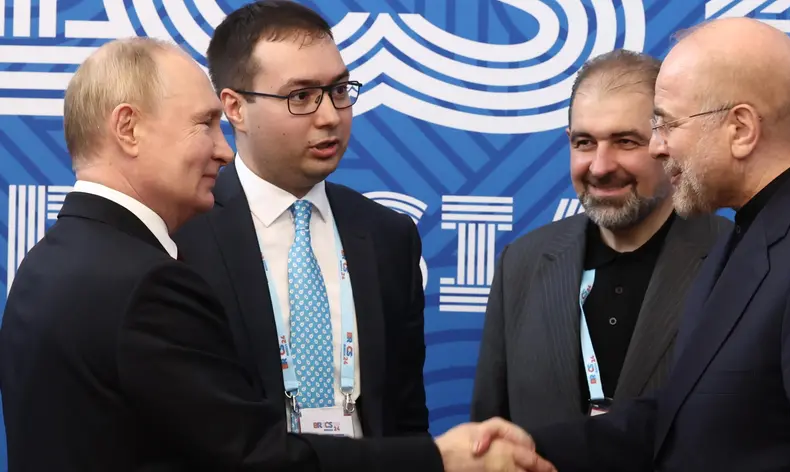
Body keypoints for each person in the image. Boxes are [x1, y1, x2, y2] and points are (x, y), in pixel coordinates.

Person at [0, 36, 556, 472]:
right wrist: (439, 459)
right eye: (204, 125)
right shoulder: (148, 282)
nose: (222, 150)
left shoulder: (49, 261)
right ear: (128, 128)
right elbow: (251, 456)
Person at [481, 17, 790, 472]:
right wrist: (531, 448)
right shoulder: (757, 231)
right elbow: (682, 416)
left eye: (666, 124)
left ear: (741, 129)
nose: (656, 147)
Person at [172, 0, 428, 440]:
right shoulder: (183, 235)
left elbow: (405, 418)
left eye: (339, 90)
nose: (330, 117)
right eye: (301, 97)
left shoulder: (388, 236)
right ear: (235, 107)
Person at [471, 49, 731, 428]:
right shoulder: (522, 262)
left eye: (625, 141)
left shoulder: (735, 259)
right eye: (584, 142)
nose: (600, 166)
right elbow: (489, 434)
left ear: (666, 143)